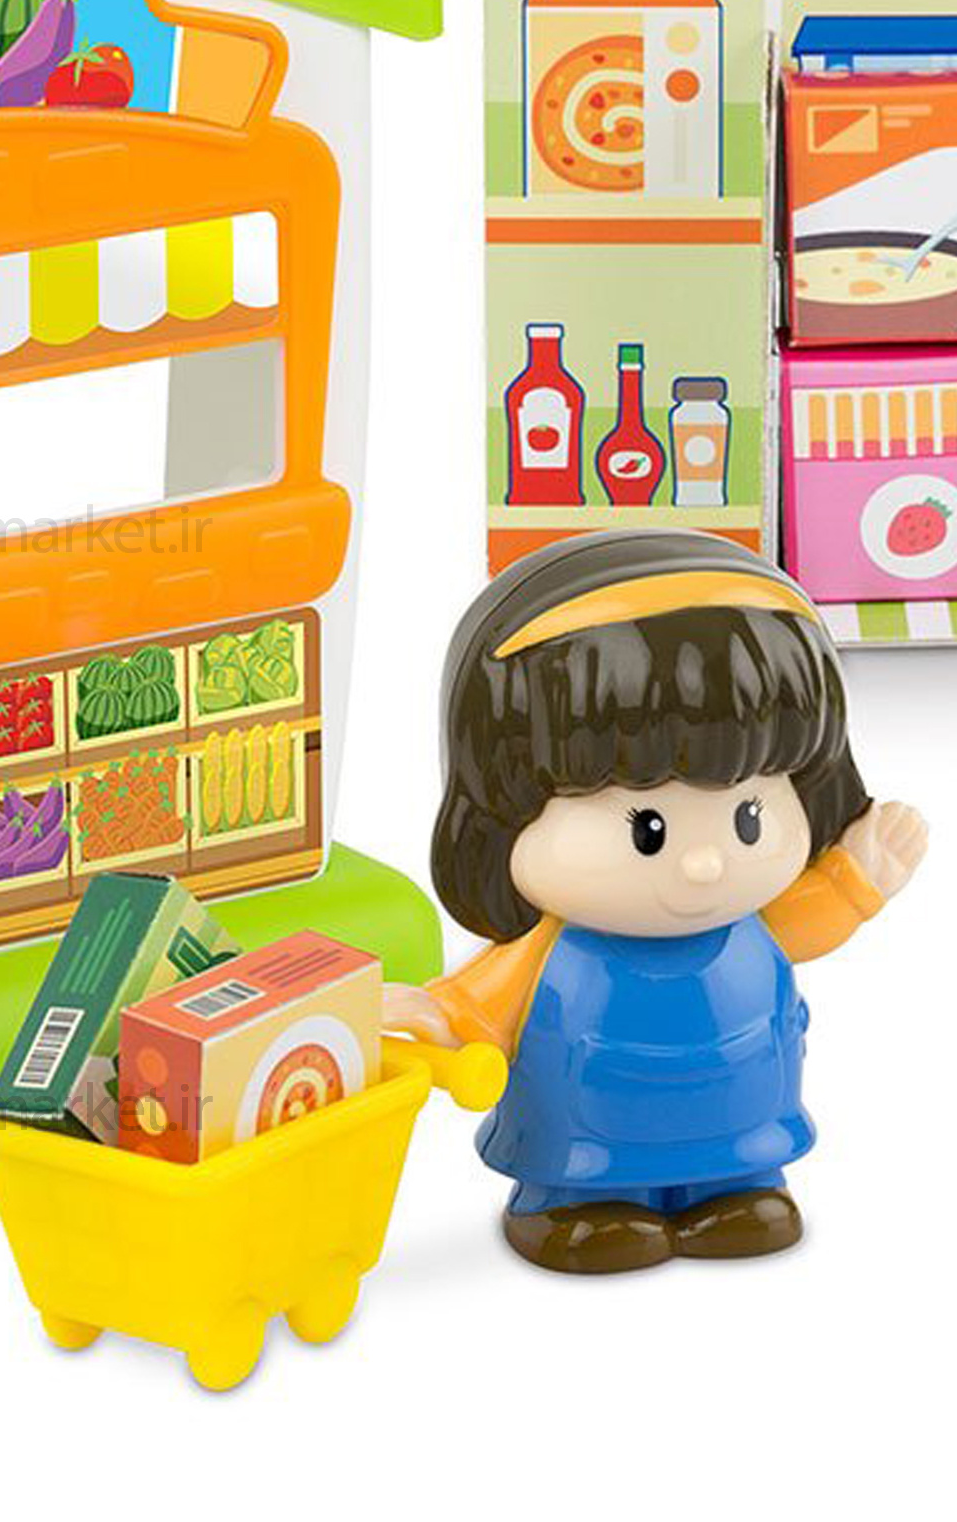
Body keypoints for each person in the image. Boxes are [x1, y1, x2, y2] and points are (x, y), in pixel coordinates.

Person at [385, 531, 927, 1274]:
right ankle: (575, 1205)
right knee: (590, 1205)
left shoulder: (751, 925)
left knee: (743, 1195)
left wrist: (854, 881)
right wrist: (434, 1016)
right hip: (583, 1145)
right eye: (650, 831)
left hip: (741, 1130)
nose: (704, 865)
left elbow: (806, 923)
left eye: (748, 818)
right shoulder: (554, 950)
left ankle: (734, 1188)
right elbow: (480, 1006)